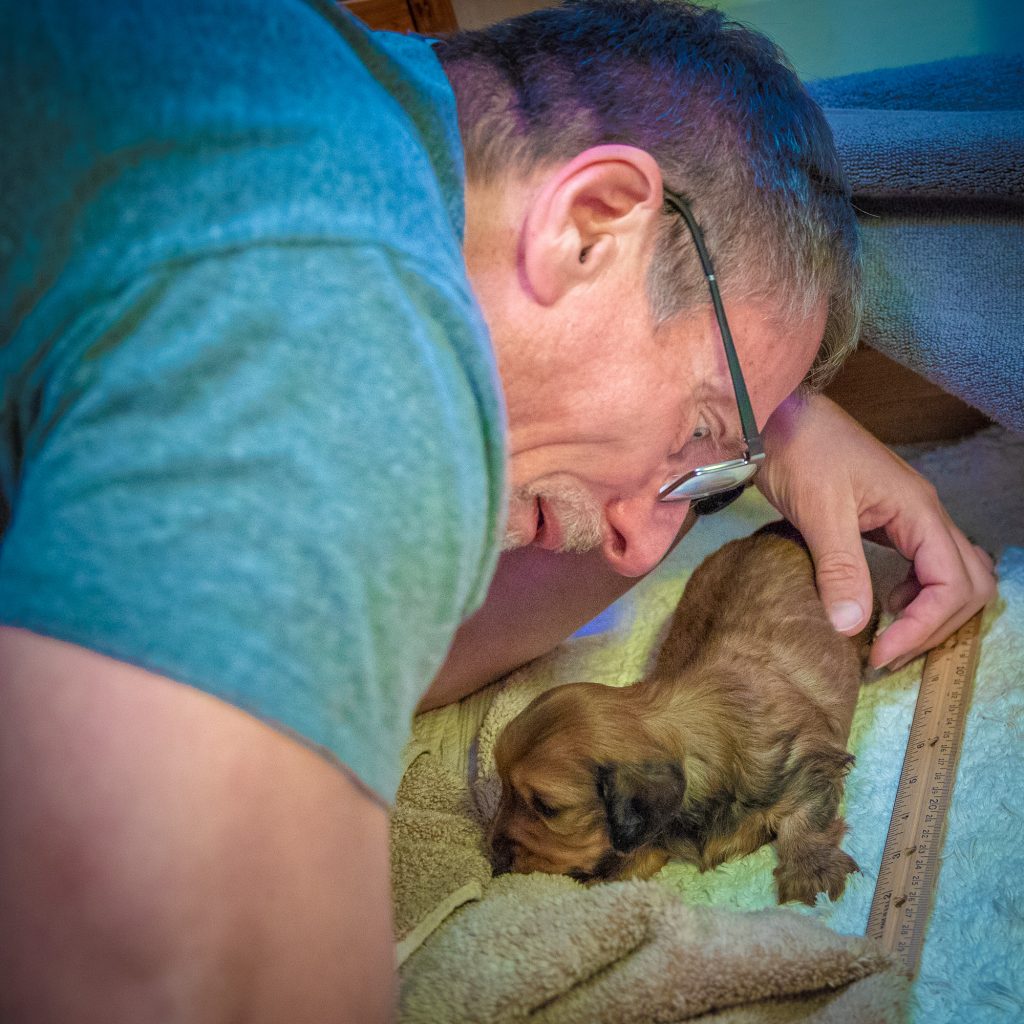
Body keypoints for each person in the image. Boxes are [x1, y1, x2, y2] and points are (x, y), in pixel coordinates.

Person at [0, 1, 994, 1021]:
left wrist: (762, 434)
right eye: (696, 427)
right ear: (589, 221)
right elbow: (165, 974)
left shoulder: (300, 93)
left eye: (704, 480)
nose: (643, 538)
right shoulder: (356, 315)